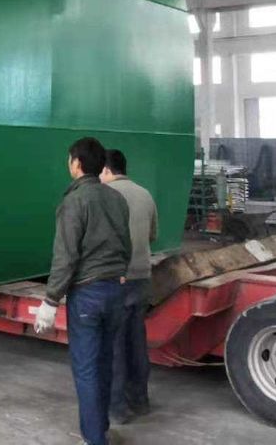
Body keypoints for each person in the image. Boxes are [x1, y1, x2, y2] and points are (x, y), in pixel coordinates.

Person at [34, 137, 132, 445]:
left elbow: (66, 255)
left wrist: (51, 300)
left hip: (88, 294)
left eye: (69, 159)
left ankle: (94, 439)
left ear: (76, 164)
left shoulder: (74, 201)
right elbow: (126, 246)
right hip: (116, 289)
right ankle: (100, 429)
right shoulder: (116, 199)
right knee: (104, 363)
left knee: (86, 369)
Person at [101, 148, 158, 423]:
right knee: (136, 341)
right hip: (142, 277)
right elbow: (152, 235)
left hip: (116, 278)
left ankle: (118, 408)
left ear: (106, 170)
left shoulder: (105, 195)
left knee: (115, 346)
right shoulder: (145, 194)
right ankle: (140, 400)